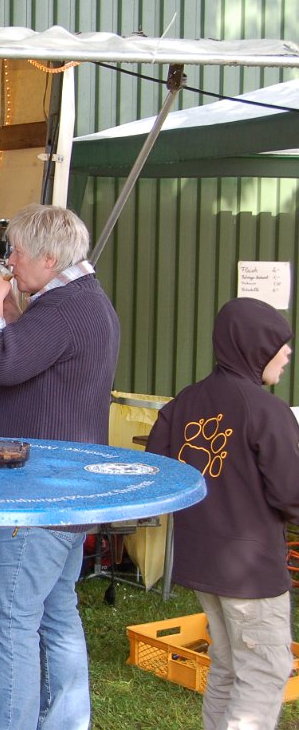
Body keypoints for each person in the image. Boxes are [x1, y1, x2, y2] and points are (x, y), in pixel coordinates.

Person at [0, 203, 120, 730]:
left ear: (50, 258)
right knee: (57, 618)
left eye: (18, 252)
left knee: (13, 624)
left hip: (37, 497)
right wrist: (9, 311)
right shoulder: (85, 302)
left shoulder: (62, 309)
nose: (11, 260)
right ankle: (63, 722)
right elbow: (27, 357)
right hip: (69, 495)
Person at [146, 298, 299, 730]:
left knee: (230, 668)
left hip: (201, 564)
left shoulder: (185, 402)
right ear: (253, 346)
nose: (286, 354)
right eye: (279, 344)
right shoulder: (267, 410)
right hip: (250, 574)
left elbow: (157, 472)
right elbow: (292, 495)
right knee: (264, 672)